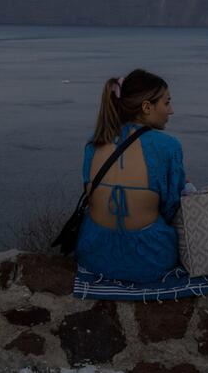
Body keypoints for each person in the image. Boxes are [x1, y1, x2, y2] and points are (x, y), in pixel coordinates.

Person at [75, 69, 186, 283]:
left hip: (95, 255)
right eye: (166, 103)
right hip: (150, 259)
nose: (171, 110)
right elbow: (171, 207)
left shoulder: (94, 142)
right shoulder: (167, 147)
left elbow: (89, 194)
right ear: (146, 107)